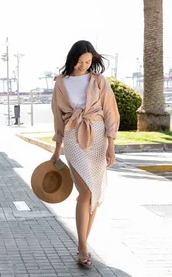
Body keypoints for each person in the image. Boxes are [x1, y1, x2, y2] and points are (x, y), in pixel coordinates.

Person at [50, 40, 120, 267]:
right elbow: (57, 117)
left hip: (98, 137)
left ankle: (83, 243)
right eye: (80, 62)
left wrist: (111, 145)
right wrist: (57, 150)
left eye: (88, 62)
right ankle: (82, 248)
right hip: (72, 137)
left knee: (94, 195)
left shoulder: (99, 81)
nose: (83, 66)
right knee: (86, 191)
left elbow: (110, 113)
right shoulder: (61, 82)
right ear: (72, 59)